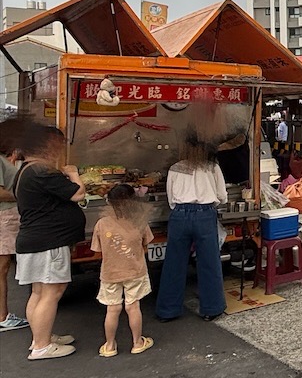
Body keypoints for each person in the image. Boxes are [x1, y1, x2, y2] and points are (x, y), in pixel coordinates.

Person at [13, 123, 84, 360]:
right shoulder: (42, 171)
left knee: (39, 292)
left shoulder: (26, 169)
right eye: (57, 145)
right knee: (51, 292)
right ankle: (42, 347)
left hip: (34, 239)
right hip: (48, 241)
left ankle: (40, 339)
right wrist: (74, 174)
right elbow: (78, 193)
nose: (59, 150)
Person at [156, 134, 228, 323]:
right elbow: (222, 195)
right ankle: (211, 309)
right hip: (204, 214)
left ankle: (167, 311)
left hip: (179, 215)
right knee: (209, 263)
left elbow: (171, 198)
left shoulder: (175, 168)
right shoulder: (212, 167)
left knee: (174, 263)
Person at [91, 184, 155, 356]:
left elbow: (97, 250)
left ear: (109, 203)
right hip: (135, 271)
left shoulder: (102, 223)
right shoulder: (139, 222)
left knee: (112, 309)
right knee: (133, 307)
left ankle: (110, 345)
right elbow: (146, 246)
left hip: (110, 273)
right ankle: (137, 342)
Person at [0, 126, 29, 331]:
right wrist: (22, 194)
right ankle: (2, 317)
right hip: (5, 216)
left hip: (7, 215)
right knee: (1, 268)